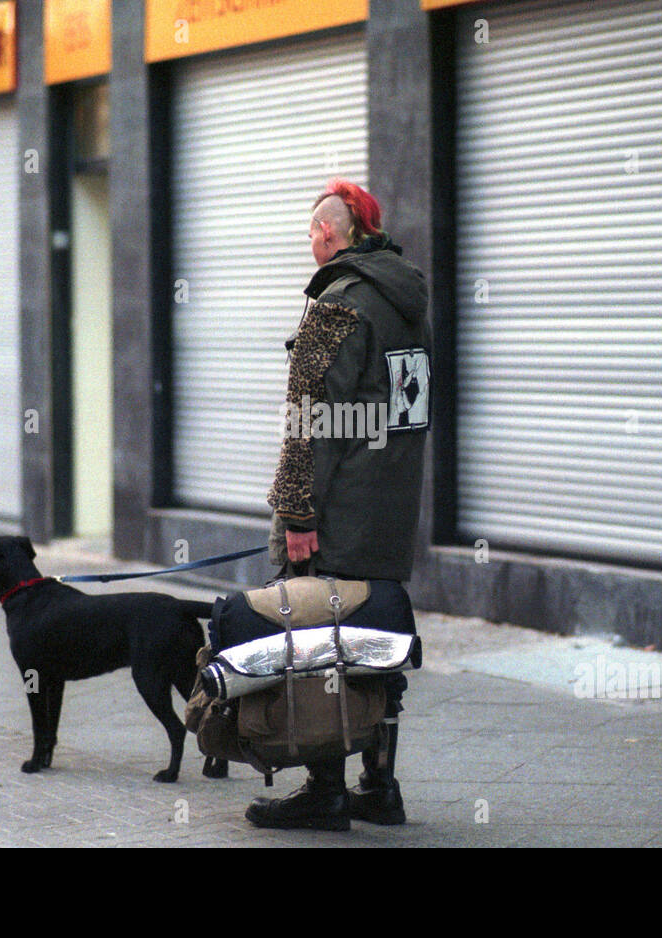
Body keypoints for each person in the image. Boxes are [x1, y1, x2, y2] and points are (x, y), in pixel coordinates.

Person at [244, 179, 432, 830]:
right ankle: (379, 786)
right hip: (389, 510)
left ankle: (325, 792)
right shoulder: (406, 299)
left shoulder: (338, 302)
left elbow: (309, 417)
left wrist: (298, 516)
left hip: (337, 516)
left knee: (321, 644)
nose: (310, 244)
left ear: (329, 233)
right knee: (374, 642)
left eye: (310, 234)